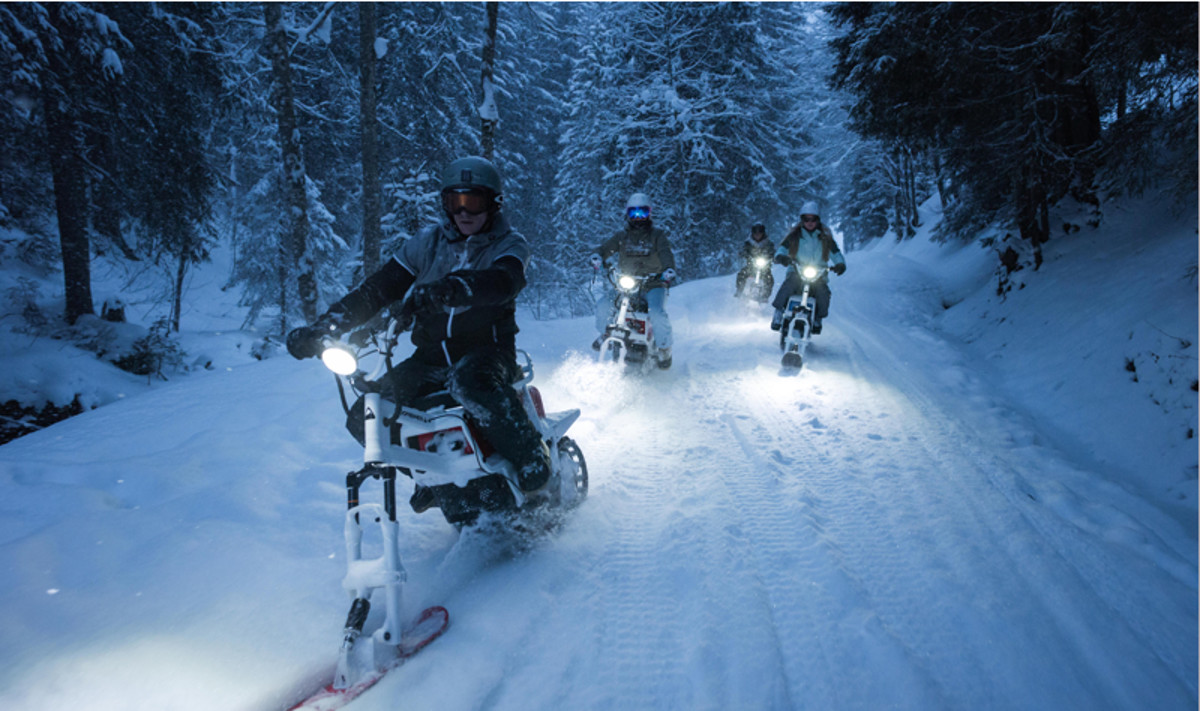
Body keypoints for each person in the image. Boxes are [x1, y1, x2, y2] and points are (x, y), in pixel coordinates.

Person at [285, 156, 551, 510]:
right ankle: (430, 475)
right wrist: (324, 327)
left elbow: (504, 281)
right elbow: (377, 290)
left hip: (488, 353)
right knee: (367, 414)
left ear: (493, 203)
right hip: (429, 358)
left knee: (470, 382)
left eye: (474, 201)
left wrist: (453, 288)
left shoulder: (508, 244)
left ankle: (532, 457)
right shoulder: (427, 243)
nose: (464, 212)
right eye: (455, 202)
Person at [589, 192, 677, 368]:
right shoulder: (622, 237)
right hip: (627, 284)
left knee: (657, 312)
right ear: (627, 214)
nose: (638, 218)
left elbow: (666, 253)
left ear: (649, 214)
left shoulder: (657, 236)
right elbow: (605, 248)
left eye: (642, 213)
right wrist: (597, 257)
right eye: (633, 213)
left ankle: (664, 347)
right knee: (604, 305)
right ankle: (606, 332)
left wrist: (668, 269)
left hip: (653, 284)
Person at [769, 201, 846, 334]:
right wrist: (782, 257)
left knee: (823, 292)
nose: (810, 222)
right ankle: (778, 311)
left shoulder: (825, 239)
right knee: (789, 285)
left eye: (813, 219)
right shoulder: (794, 237)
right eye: (806, 219)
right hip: (797, 271)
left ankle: (817, 317)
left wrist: (840, 264)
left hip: (818, 274)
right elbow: (782, 249)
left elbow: (836, 254)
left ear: (818, 220)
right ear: (802, 220)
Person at [734, 223, 775, 299]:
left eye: (759, 233)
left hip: (764, 268)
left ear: (763, 233)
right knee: (741, 274)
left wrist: (772, 257)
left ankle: (765, 296)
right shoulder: (748, 243)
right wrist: (744, 255)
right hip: (751, 267)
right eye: (755, 233)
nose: (757, 235)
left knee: (769, 280)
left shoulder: (768, 244)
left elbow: (773, 252)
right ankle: (739, 291)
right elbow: (743, 250)